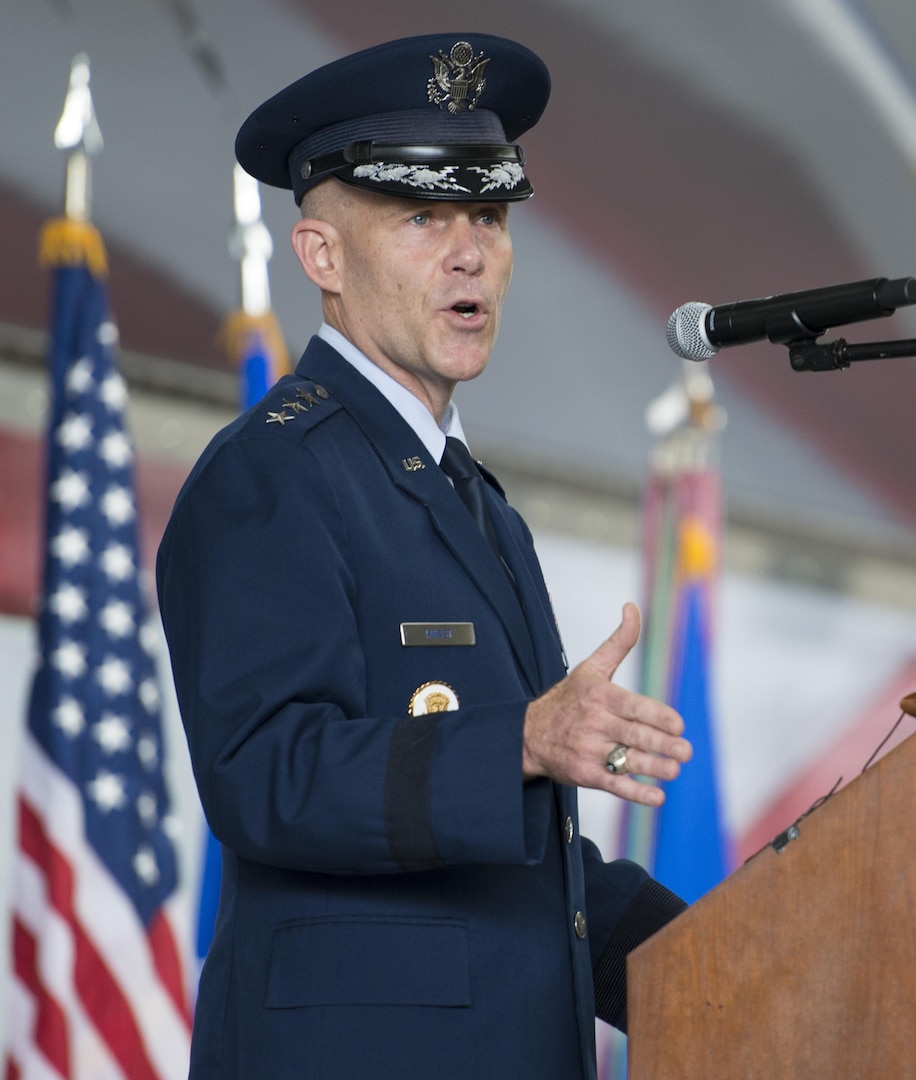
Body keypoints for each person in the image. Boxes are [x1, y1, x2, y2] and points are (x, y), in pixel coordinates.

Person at [157, 33, 692, 1080]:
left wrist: (741, 942)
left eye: (488, 216)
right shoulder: (271, 475)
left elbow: (520, 865)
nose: (468, 253)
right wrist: (523, 742)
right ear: (321, 257)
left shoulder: (476, 504)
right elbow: (267, 774)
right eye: (420, 218)